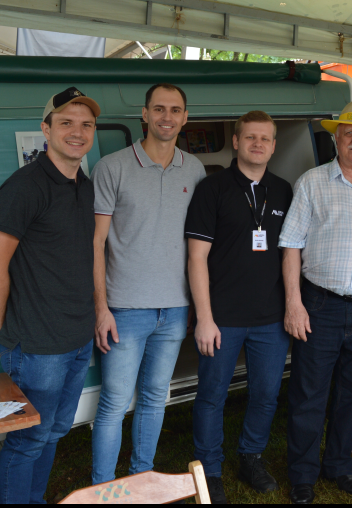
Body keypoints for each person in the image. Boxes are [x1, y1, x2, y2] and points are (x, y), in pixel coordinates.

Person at [0, 87, 101, 504]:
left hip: (77, 340)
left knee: (52, 434)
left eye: (86, 124)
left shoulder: (84, 186)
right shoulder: (25, 187)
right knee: (28, 441)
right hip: (37, 348)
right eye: (66, 122)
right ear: (45, 129)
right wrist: (7, 333)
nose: (77, 132)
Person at [279, 100, 352, 505]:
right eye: (348, 132)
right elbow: (291, 245)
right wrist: (294, 304)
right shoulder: (312, 182)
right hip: (320, 305)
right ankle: (302, 474)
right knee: (309, 393)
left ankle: (338, 466)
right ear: (335, 137)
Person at [90, 84, 205, 486]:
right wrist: (101, 309)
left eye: (175, 110)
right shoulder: (112, 167)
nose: (167, 117)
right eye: (159, 109)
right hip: (124, 309)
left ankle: (141, 479)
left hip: (174, 310)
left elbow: (198, 246)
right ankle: (104, 486)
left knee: (157, 397)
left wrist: (193, 305)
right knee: (114, 404)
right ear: (144, 114)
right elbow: (96, 243)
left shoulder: (194, 169)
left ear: (185, 117)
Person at [185, 111, 291, 504]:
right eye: (250, 137)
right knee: (212, 395)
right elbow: (196, 258)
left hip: (270, 318)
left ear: (274, 145)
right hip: (222, 318)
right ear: (236, 141)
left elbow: (290, 254)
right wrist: (205, 318)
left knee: (265, 394)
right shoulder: (211, 189)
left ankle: (251, 457)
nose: (257, 144)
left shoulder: (283, 191)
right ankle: (210, 470)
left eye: (265, 138)